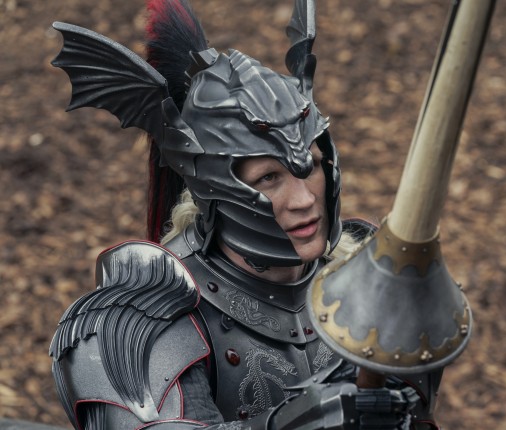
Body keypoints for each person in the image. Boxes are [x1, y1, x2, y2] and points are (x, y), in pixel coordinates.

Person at [49, 0, 444, 428]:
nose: (304, 199)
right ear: (214, 185)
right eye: (269, 178)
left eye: (309, 166)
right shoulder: (137, 314)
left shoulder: (365, 274)